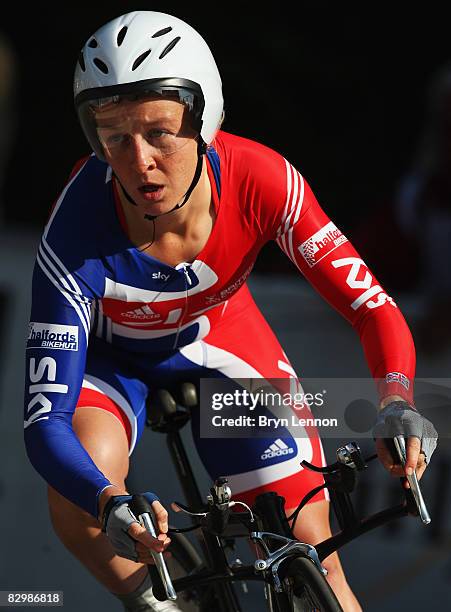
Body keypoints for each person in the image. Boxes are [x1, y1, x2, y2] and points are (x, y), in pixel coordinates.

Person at [23, 11, 437, 612]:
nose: (139, 160)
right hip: (111, 363)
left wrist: (397, 401)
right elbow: (45, 425)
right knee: (78, 499)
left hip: (220, 339)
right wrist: (109, 502)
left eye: (159, 131)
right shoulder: (72, 232)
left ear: (204, 119)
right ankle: (163, 604)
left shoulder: (263, 179)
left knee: (311, 545)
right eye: (113, 135)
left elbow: (371, 306)